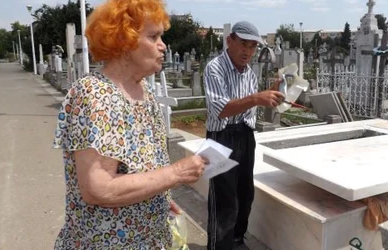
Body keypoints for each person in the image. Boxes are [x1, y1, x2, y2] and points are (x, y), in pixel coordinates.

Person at [52, 0, 208, 249]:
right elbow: (98, 189)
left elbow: (140, 165)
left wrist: (159, 198)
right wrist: (176, 174)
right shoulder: (94, 95)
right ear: (124, 41)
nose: (163, 45)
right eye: (153, 36)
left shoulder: (143, 90)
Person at [203, 21, 284, 250]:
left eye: (253, 46)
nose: (248, 51)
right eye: (243, 44)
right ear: (230, 41)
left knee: (245, 193)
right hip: (220, 137)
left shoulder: (249, 72)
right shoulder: (215, 68)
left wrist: (274, 95)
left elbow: (251, 106)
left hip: (245, 135)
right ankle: (220, 246)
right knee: (223, 198)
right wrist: (257, 98)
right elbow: (221, 109)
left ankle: (237, 241)